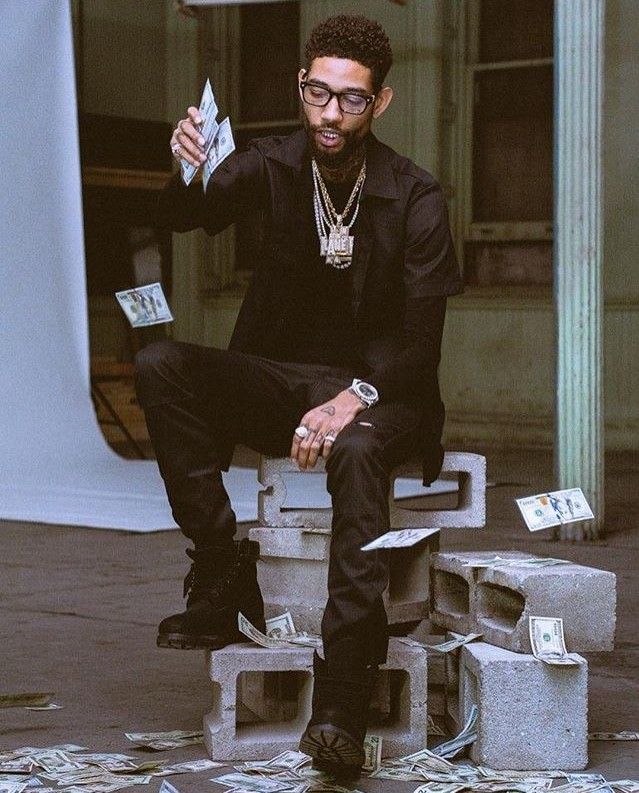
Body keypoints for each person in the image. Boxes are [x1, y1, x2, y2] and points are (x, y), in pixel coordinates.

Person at [135, 14, 462, 780]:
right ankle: (222, 568)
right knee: (161, 363)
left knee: (355, 450)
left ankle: (342, 703)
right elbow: (191, 212)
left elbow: (421, 339)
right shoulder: (275, 162)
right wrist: (186, 167)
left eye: (350, 100)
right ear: (301, 86)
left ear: (378, 103)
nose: (329, 114)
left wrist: (354, 396)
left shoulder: (414, 194)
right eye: (318, 92)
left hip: (386, 392)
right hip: (280, 379)